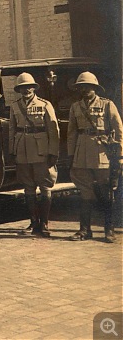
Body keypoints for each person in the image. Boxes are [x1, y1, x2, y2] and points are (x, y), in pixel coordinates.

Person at [67, 71, 123, 243]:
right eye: (81, 87)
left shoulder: (107, 105)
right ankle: (84, 230)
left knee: (106, 193)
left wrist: (120, 155)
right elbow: (71, 133)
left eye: (88, 87)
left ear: (95, 88)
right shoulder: (75, 107)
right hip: (82, 154)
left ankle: (109, 230)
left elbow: (119, 129)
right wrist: (71, 155)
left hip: (102, 153)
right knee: (85, 193)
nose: (84, 90)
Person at [9, 73, 59, 237]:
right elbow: (12, 130)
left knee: (44, 186)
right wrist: (12, 150)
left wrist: (53, 152)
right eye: (22, 87)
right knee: (28, 187)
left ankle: (44, 224)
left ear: (34, 88)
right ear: (19, 90)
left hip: (41, 150)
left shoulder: (45, 105)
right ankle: (33, 223)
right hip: (22, 151)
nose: (26, 90)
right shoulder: (15, 106)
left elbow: (53, 130)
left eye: (28, 86)